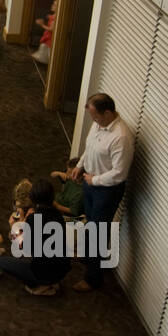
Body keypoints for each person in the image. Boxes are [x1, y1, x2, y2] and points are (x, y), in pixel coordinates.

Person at [67, 93, 134, 291]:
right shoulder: (99, 124)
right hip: (90, 182)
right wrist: (80, 165)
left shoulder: (121, 138)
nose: (93, 121)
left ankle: (92, 278)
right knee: (90, 224)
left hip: (106, 191)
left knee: (97, 232)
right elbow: (91, 147)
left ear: (108, 112)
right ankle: (89, 258)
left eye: (95, 117)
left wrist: (94, 179)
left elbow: (119, 174)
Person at [0, 179, 69, 295]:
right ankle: (51, 282)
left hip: (43, 273)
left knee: (2, 262)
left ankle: (42, 286)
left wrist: (15, 226)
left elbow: (22, 248)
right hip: (62, 268)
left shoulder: (34, 218)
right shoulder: (58, 215)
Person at [33, 0, 56, 64]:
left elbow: (51, 29)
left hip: (50, 36)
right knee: (45, 46)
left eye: (54, 5)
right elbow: (51, 17)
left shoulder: (55, 19)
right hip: (48, 35)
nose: (52, 6)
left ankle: (48, 60)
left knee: (46, 47)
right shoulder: (54, 15)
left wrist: (42, 25)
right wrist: (48, 17)